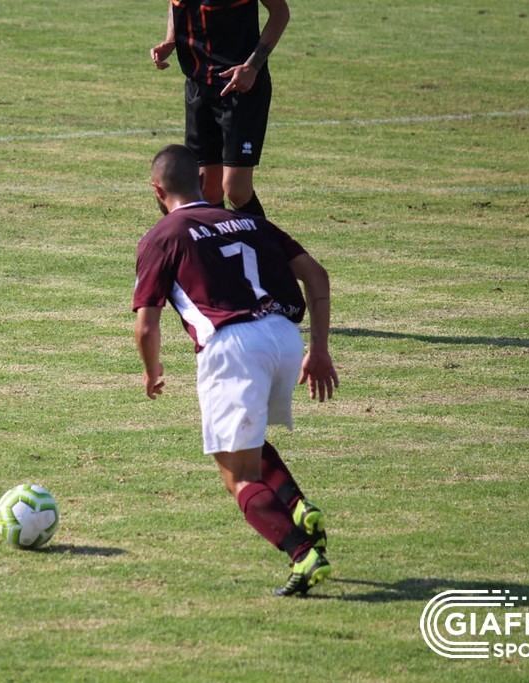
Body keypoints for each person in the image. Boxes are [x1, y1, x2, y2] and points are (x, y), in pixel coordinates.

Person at [133, 144, 339, 596]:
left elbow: (146, 327)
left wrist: (151, 370)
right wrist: (320, 349)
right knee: (247, 442)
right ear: (202, 182)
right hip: (285, 338)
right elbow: (317, 275)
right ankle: (299, 507)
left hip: (234, 347)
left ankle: (303, 555)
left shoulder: (162, 236)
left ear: (157, 191)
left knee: (238, 474)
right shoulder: (252, 222)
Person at [150, 0, 290, 218]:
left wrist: (252, 66)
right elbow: (175, 3)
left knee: (236, 189)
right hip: (198, 86)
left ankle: (266, 241)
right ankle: (222, 242)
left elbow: (280, 12)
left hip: (239, 87)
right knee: (206, 189)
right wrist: (171, 39)